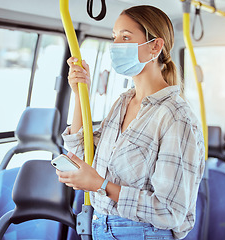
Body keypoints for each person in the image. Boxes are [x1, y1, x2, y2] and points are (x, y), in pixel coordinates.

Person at [56, 5, 205, 240]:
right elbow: (83, 154)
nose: (116, 46)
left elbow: (170, 211)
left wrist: (100, 185)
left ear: (155, 46)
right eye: (114, 37)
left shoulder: (175, 117)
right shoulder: (122, 103)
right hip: (101, 227)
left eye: (126, 37)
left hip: (143, 233)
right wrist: (78, 94)